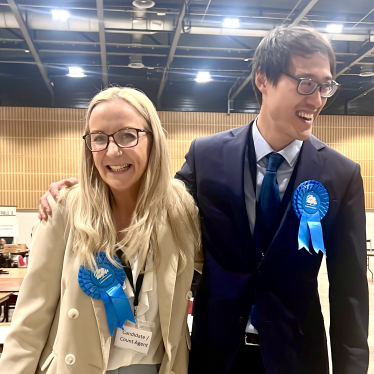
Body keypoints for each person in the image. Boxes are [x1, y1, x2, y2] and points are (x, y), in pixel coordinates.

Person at [38, 26, 369, 374]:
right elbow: (152, 204)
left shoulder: (341, 175)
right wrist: (85, 190)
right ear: (263, 79)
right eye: (305, 83)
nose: (316, 99)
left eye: (325, 86)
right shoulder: (206, 155)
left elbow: (350, 292)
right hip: (214, 357)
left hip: (297, 358)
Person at [0, 87, 202, 374]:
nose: (112, 151)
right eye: (99, 138)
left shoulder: (181, 211)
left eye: (127, 135)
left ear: (153, 140)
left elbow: (225, 268)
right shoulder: (65, 210)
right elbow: (30, 321)